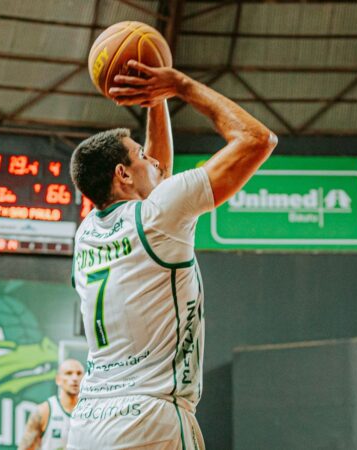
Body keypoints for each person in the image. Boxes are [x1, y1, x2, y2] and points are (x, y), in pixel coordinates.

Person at [67, 59, 277, 449]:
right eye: (140, 156)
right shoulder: (158, 216)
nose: (153, 160)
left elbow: (157, 177)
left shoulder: (87, 233)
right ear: (123, 174)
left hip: (88, 423)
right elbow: (257, 139)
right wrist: (179, 85)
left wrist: (155, 100)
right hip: (149, 419)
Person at [18, 359, 84, 450]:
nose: (75, 378)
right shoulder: (44, 411)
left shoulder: (91, 411)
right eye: (69, 373)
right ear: (58, 379)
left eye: (79, 373)